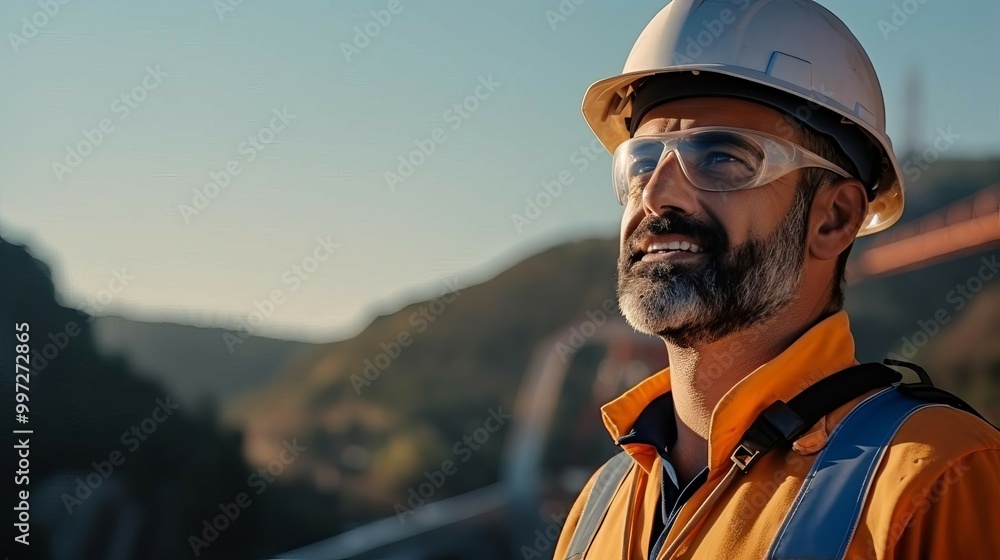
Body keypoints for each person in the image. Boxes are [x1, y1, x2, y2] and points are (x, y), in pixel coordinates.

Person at [552, 1, 1000, 558]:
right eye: (641, 163)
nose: (656, 194)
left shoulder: (937, 478)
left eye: (720, 157)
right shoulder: (601, 505)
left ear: (833, 218)